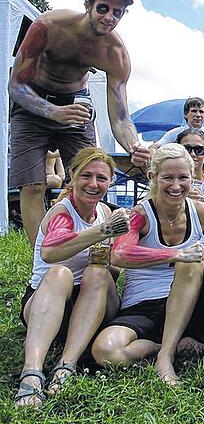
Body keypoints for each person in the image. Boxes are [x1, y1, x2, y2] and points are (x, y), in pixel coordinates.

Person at [8, 0, 151, 246]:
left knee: (90, 176)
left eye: (117, 13)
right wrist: (52, 111)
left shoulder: (115, 53)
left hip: (75, 106)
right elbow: (16, 85)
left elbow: (120, 116)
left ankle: (83, 246)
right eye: (104, 8)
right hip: (32, 103)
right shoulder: (49, 26)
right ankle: (41, 257)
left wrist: (134, 146)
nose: (109, 17)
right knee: (31, 186)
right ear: (88, 5)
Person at [91, 144, 204, 383]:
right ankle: (173, 346)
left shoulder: (201, 212)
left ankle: (164, 357)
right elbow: (120, 254)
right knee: (105, 351)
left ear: (192, 177)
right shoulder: (140, 215)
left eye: (183, 178)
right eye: (168, 178)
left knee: (192, 262)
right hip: (144, 305)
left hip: (191, 305)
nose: (176, 186)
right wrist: (174, 255)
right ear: (153, 177)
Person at [14, 148, 130, 407]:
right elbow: (50, 251)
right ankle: (31, 372)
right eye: (86, 176)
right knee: (60, 273)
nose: (93, 184)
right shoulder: (62, 213)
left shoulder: (106, 212)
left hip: (92, 307)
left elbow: (114, 269)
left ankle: (66, 365)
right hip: (47, 304)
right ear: (72, 177)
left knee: (98, 272)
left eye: (101, 178)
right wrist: (103, 232)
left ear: (110, 182)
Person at [152, 97, 204, 168]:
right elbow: (157, 146)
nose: (198, 115)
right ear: (185, 114)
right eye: (194, 111)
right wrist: (152, 151)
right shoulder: (173, 133)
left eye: (201, 112)